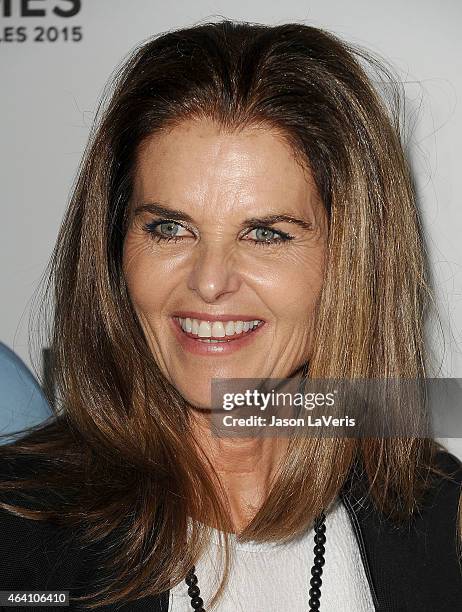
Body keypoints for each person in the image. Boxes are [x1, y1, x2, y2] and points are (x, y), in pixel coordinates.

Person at [0, 18, 461, 612]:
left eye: (266, 233)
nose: (209, 281)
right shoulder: (18, 532)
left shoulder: (438, 514)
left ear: (352, 262)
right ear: (115, 248)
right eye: (170, 228)